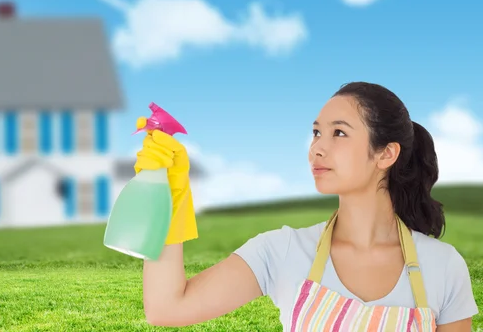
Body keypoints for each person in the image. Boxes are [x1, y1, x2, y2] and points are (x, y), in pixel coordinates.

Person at [135, 82, 479, 331]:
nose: (316, 148)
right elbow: (166, 307)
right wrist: (169, 198)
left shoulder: (443, 266)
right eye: (316, 133)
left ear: (386, 154)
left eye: (339, 133)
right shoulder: (282, 251)